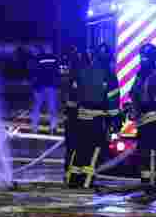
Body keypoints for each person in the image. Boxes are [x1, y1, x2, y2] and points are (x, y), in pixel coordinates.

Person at [66, 44, 120, 189]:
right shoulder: (109, 75)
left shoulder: (83, 71)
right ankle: (86, 181)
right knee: (94, 151)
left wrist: (71, 115)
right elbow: (113, 101)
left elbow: (73, 95)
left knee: (80, 148)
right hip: (98, 120)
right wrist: (116, 121)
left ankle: (73, 180)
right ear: (109, 58)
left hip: (80, 117)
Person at [130, 43, 156, 187]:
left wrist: (150, 104)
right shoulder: (141, 74)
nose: (143, 60)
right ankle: (145, 181)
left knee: (150, 152)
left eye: (146, 57)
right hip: (142, 120)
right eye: (142, 57)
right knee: (144, 153)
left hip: (152, 119)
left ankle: (151, 183)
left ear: (152, 58)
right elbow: (133, 93)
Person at [29, 46, 61, 134]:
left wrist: (34, 87)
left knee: (37, 107)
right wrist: (57, 86)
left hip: (40, 87)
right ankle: (53, 127)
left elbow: (35, 73)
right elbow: (57, 73)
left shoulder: (39, 58)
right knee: (52, 108)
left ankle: (34, 127)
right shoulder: (55, 59)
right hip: (51, 87)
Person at [60, 46, 82, 173]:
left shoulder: (70, 76)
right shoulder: (79, 74)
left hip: (72, 116)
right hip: (76, 116)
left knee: (71, 147)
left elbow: (65, 95)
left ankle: (69, 172)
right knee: (75, 146)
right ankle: (72, 172)